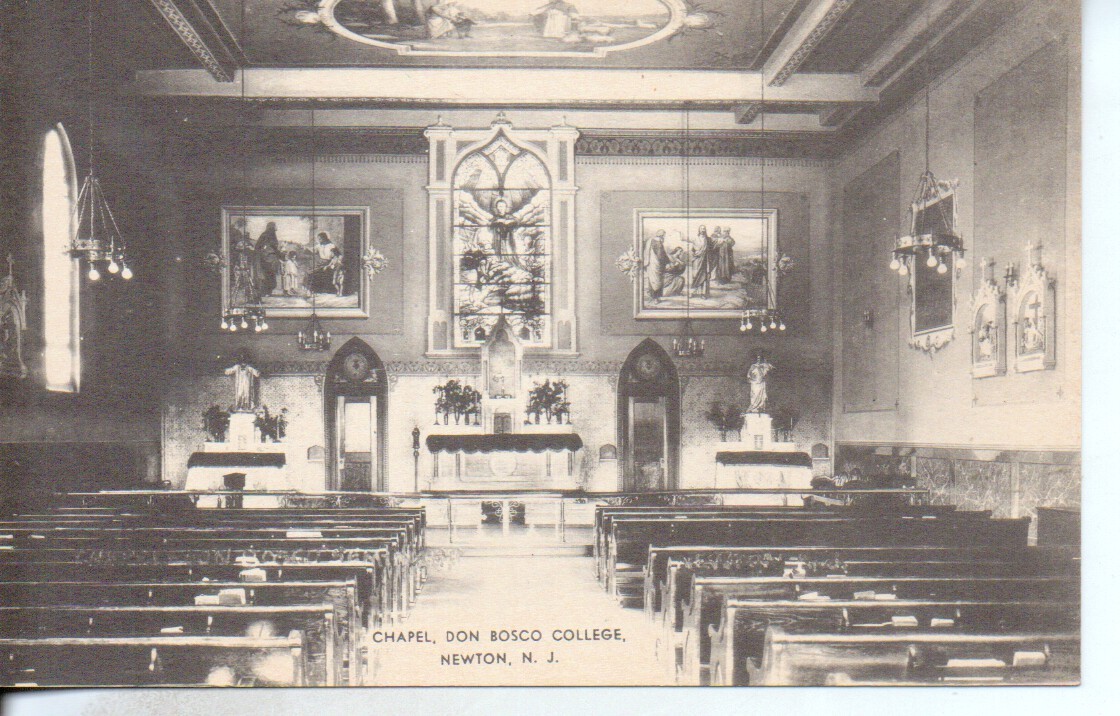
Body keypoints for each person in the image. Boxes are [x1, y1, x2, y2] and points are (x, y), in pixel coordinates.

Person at [254, 221, 281, 298]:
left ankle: (267, 292)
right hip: (267, 258)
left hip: (269, 258)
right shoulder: (268, 235)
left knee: (269, 274)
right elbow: (259, 246)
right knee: (268, 274)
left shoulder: (267, 234)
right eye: (275, 226)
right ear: (272, 227)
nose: (276, 227)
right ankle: (266, 292)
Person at [643, 229, 670, 301]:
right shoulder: (658, 243)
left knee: (652, 280)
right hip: (656, 264)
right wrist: (667, 262)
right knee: (657, 281)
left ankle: (652, 297)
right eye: (664, 235)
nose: (664, 237)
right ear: (661, 236)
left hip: (651, 265)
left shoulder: (650, 241)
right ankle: (656, 298)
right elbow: (661, 255)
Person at [688, 225, 715, 297]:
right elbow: (692, 250)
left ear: (705, 230)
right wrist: (695, 254)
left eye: (704, 229)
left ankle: (703, 293)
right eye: (701, 229)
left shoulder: (708, 239)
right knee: (695, 276)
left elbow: (714, 245)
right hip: (697, 261)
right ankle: (693, 292)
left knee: (704, 277)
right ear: (699, 230)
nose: (703, 230)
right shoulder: (696, 239)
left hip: (705, 261)